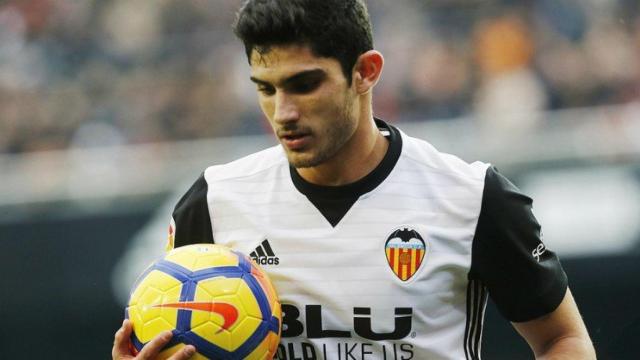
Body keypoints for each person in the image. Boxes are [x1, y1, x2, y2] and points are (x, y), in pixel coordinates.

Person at [113, 0, 596, 359]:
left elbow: (562, 338)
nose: (282, 113)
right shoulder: (215, 201)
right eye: (266, 89)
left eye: (305, 84)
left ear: (365, 72)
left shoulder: (471, 197)